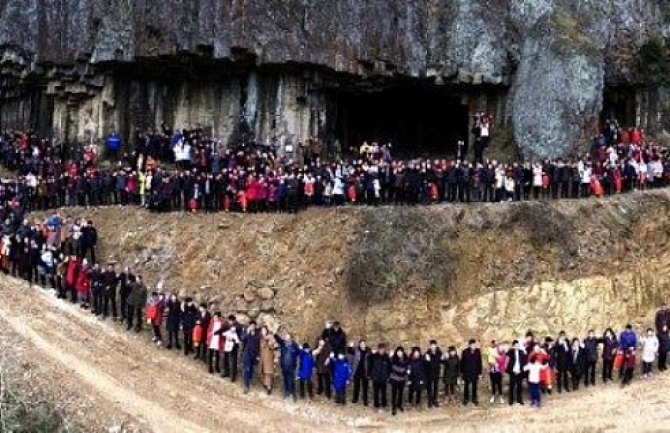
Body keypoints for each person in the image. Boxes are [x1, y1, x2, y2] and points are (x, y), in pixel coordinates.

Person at [274, 328, 300, 400]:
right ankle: (286, 392)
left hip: (291, 366)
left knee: (292, 380)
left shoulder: (295, 345)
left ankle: (293, 394)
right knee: (285, 379)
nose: (286, 337)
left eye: (287, 336)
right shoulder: (283, 343)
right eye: (285, 336)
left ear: (290, 337)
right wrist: (275, 333)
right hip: (284, 366)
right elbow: (277, 338)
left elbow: (298, 353)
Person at [368, 343, 391, 410]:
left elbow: (389, 366)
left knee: (384, 392)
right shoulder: (374, 356)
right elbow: (369, 364)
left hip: (383, 377)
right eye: (380, 349)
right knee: (376, 392)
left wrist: (388, 375)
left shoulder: (387, 356)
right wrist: (370, 375)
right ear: (378, 349)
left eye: (383, 349)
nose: (381, 350)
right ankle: (376, 405)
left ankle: (384, 404)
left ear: (384, 349)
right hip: (375, 377)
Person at [460, 339, 482, 406]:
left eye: (474, 345)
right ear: (469, 345)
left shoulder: (478, 351)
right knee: (466, 386)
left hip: (475, 372)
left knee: (474, 386)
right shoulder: (465, 351)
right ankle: (465, 399)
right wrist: (461, 372)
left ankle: (474, 399)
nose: (474, 346)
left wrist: (480, 373)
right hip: (467, 372)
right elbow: (462, 363)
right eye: (472, 345)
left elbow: (479, 363)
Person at [241, 321, 261, 393]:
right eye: (251, 325)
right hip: (247, 353)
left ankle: (249, 379)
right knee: (247, 368)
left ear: (255, 326)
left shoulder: (258, 335)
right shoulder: (247, 332)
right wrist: (247, 332)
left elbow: (259, 346)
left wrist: (258, 355)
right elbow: (242, 339)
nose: (252, 327)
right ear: (249, 326)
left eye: (253, 325)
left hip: (254, 354)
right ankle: (246, 386)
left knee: (251, 368)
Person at [349, 340, 370, 406]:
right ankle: (355, 399)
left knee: (365, 387)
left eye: (363, 343)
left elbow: (372, 360)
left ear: (365, 344)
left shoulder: (369, 351)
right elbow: (350, 352)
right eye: (361, 344)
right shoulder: (356, 350)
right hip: (357, 371)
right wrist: (350, 346)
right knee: (356, 387)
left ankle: (365, 400)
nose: (362, 345)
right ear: (359, 344)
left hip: (365, 372)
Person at [506, 340, 526, 405]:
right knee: (511, 387)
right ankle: (510, 401)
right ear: (513, 346)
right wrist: (512, 349)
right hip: (513, 372)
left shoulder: (521, 352)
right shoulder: (511, 352)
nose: (517, 346)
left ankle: (519, 400)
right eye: (516, 345)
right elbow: (507, 354)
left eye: (518, 345)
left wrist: (521, 370)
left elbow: (523, 361)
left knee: (519, 387)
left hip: (519, 372)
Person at [389, 346, 409, 416]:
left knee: (401, 393)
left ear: (403, 352)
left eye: (401, 352)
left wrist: (403, 371)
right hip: (394, 379)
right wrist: (402, 370)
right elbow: (391, 368)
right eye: (398, 352)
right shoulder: (393, 358)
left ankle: (399, 405)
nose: (399, 353)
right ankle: (394, 407)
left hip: (402, 380)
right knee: (394, 394)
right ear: (396, 352)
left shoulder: (406, 359)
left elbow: (406, 369)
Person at [424, 340, 442, 408]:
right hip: (429, 373)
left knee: (435, 387)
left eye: (434, 345)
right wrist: (427, 360)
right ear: (430, 346)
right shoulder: (427, 353)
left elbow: (441, 361)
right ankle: (430, 400)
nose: (433, 347)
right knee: (429, 387)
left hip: (436, 373)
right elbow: (424, 364)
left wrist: (444, 358)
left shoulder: (439, 353)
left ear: (436, 346)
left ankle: (435, 400)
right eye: (432, 345)